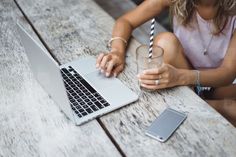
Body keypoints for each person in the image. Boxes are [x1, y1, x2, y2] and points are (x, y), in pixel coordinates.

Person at [95, 0, 236, 126]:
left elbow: (228, 72)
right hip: (184, 71)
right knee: (165, 41)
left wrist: (180, 77)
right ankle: (215, 106)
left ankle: (202, 103)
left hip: (220, 82)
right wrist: (117, 51)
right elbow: (126, 21)